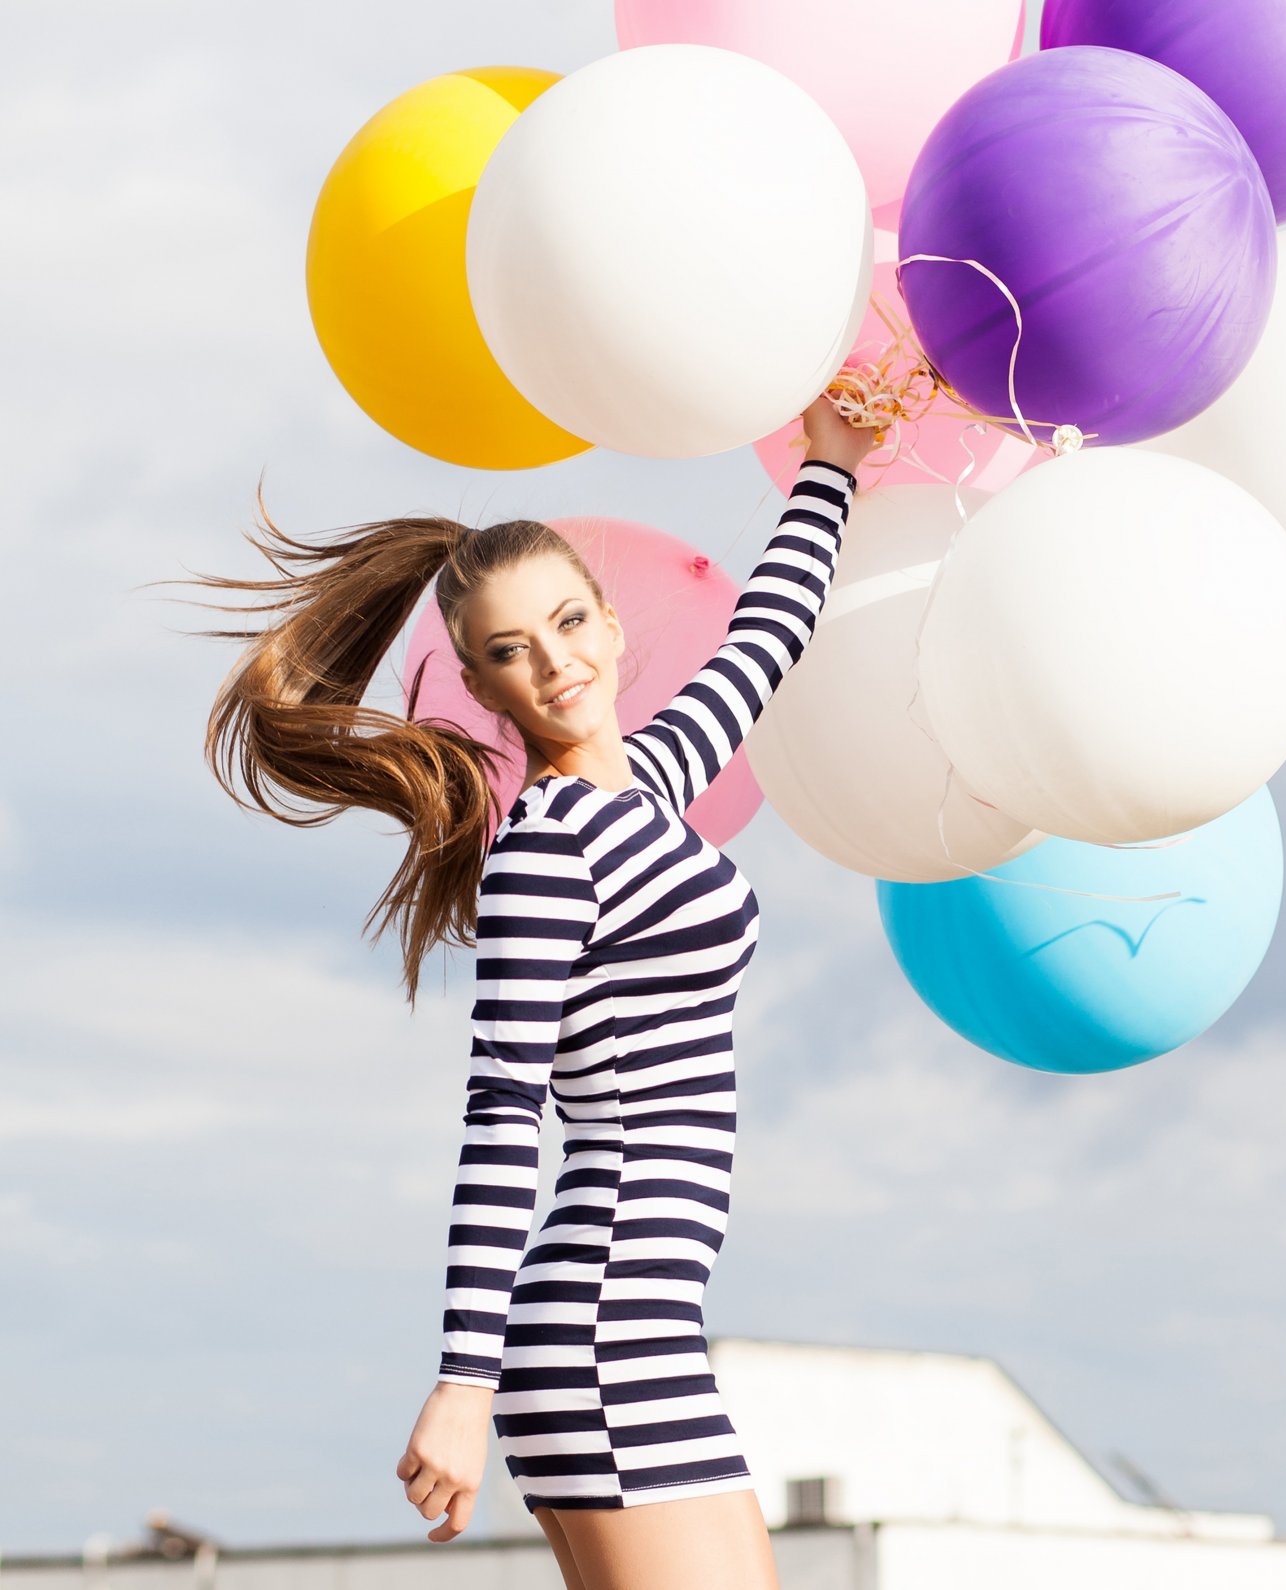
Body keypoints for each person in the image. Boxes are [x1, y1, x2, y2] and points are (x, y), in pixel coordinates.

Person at [192, 394, 879, 1590]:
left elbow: (764, 639)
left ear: (612, 622)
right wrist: (464, 1384)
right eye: (512, 649)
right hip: (602, 1326)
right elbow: (505, 1110)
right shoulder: (548, 847)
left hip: (645, 1325)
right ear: (479, 681)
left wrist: (832, 465)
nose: (555, 662)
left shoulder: (650, 785)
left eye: (568, 622)